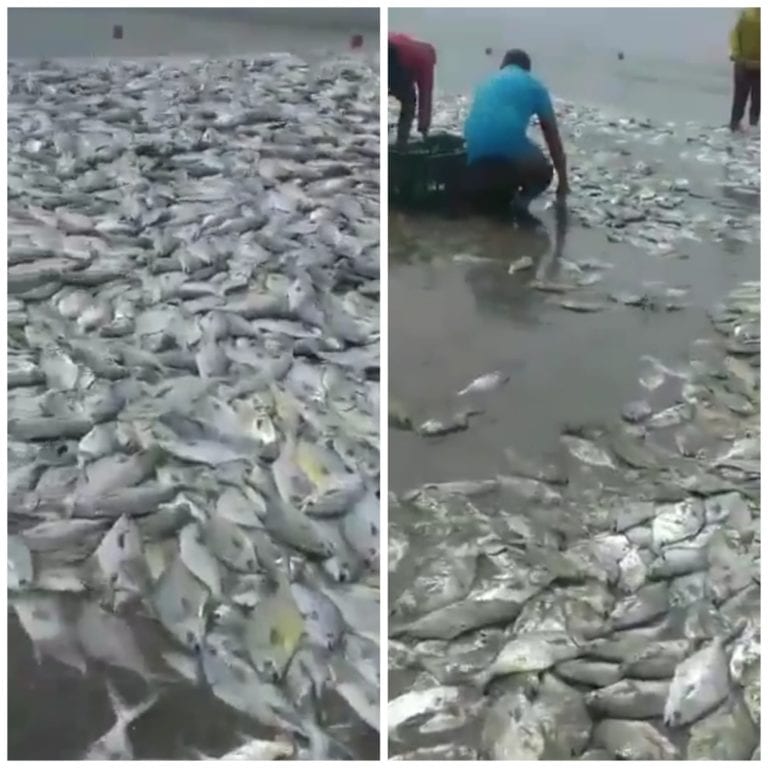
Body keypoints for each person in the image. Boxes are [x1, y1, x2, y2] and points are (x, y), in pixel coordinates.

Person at [462, 49, 568, 216]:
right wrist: (563, 181)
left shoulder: (486, 81)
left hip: (474, 152)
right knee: (543, 172)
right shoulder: (535, 86)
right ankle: (520, 206)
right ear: (527, 70)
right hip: (508, 150)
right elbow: (551, 136)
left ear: (503, 65)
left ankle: (489, 192)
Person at [389, 33, 437, 148]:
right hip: (394, 57)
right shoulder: (426, 61)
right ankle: (401, 143)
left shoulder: (409, 43)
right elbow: (425, 95)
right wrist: (424, 128)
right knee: (409, 101)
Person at [729, 8, 760, 131]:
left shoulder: (745, 15)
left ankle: (744, 125)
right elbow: (735, 35)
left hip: (750, 63)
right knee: (745, 98)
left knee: (754, 98)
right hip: (743, 63)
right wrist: (737, 55)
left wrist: (737, 55)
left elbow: (734, 36)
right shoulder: (745, 16)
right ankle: (739, 125)